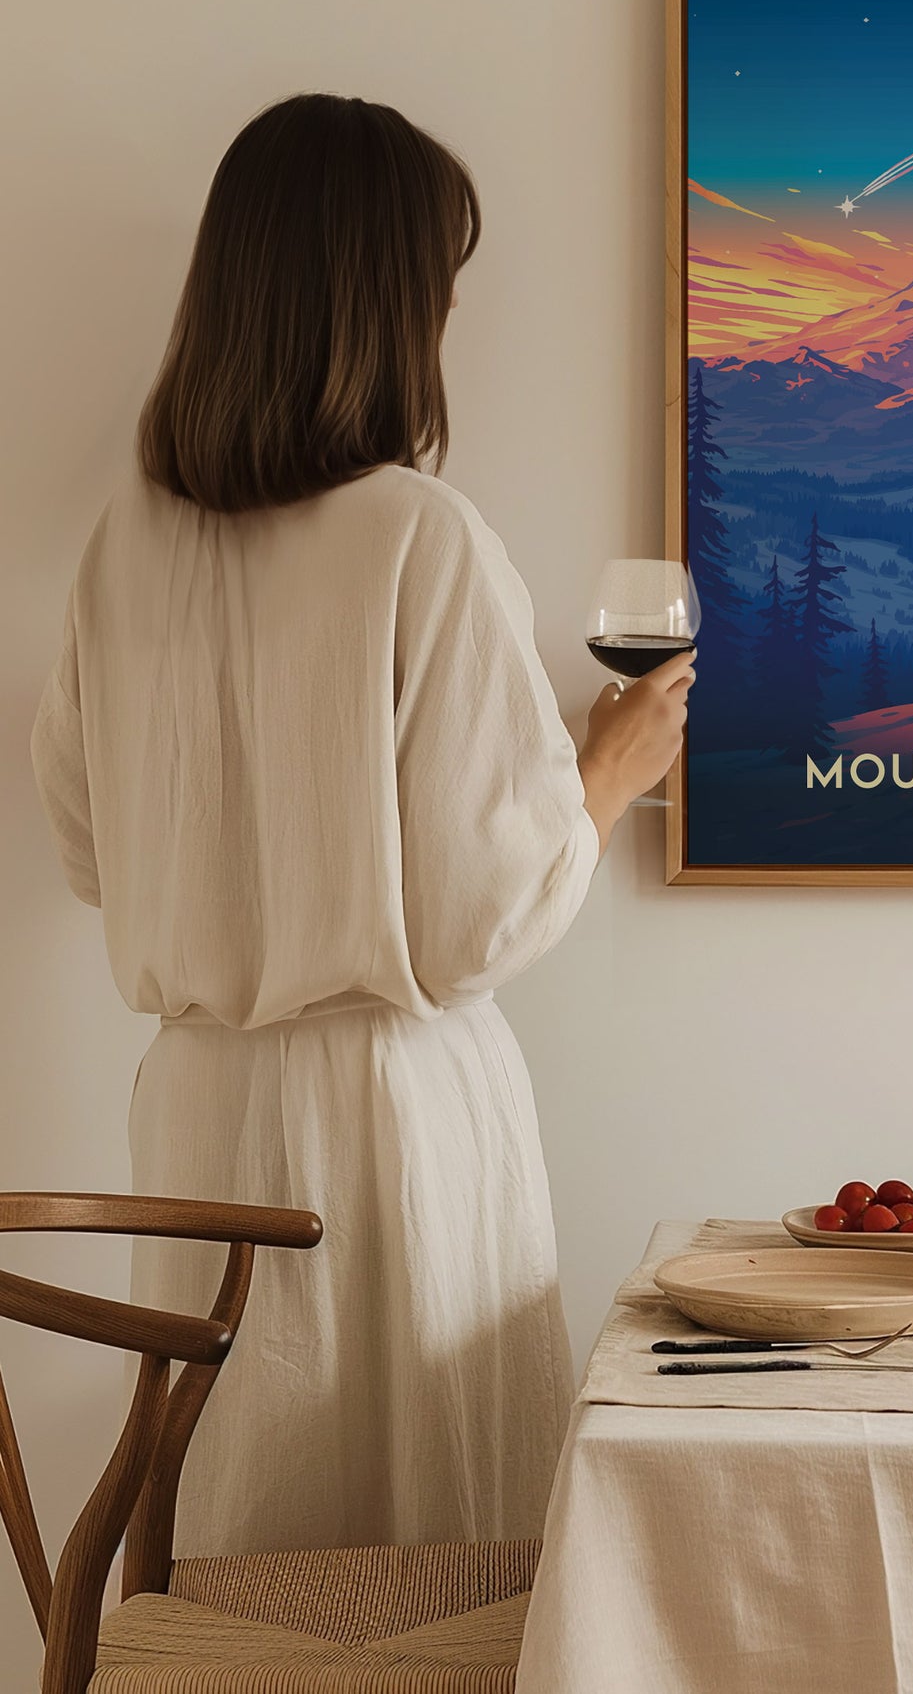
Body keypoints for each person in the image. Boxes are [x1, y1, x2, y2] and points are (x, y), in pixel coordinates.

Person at [29, 93, 688, 1554]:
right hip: (390, 1118)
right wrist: (605, 771)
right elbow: (473, 923)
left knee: (237, 1530)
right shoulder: (418, 534)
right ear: (387, 303)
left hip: (197, 1111)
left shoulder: (125, 545)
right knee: (427, 1555)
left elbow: (88, 848)